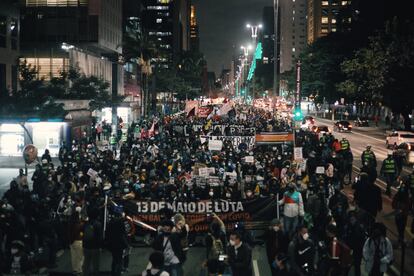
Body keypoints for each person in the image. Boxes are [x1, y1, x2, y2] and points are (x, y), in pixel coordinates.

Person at [106, 207, 129, 276]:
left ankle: (113, 272)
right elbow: (123, 234)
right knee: (119, 261)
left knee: (114, 259)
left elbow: (108, 233)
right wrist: (126, 244)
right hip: (119, 244)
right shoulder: (121, 222)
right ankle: (118, 273)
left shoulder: (110, 222)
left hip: (112, 244)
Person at [82, 208, 103, 276]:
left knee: (86, 262)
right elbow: (99, 237)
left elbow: (82, 233)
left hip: (86, 246)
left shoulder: (85, 223)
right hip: (95, 247)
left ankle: (85, 274)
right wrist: (101, 246)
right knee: (96, 263)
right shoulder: (98, 224)